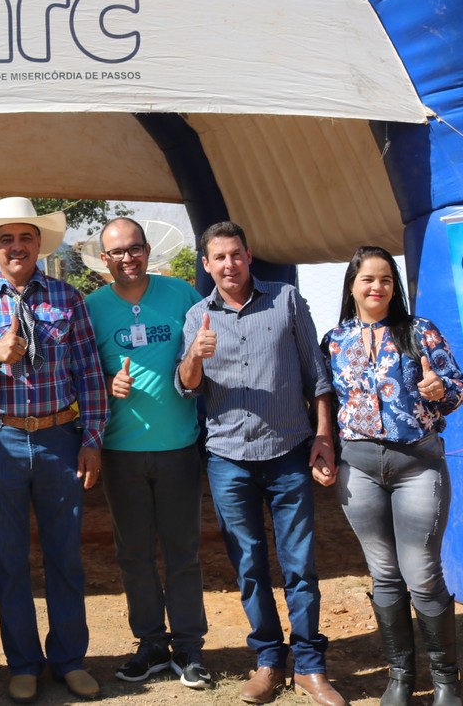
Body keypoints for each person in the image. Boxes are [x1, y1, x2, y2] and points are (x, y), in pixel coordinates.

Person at [175, 221, 345, 706]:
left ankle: (310, 666)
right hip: (228, 458)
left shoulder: (285, 300)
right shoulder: (198, 316)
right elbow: (186, 386)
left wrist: (323, 436)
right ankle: (268, 661)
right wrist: (195, 356)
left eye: (236, 254)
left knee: (300, 564)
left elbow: (316, 375)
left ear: (248, 255)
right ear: (206, 265)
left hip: (288, 451)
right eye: (219, 258)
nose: (229, 265)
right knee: (248, 566)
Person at [0, 197, 107, 704]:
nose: (16, 247)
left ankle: (70, 659)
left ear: (39, 244)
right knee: (8, 558)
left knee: (65, 557)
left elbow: (90, 374)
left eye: (25, 237)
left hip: (60, 439)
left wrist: (92, 440)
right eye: (6, 239)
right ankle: (22, 663)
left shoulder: (68, 298)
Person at [321, 247, 463, 706]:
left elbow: (458, 390)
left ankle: (446, 681)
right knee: (384, 573)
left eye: (385, 279)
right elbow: (324, 401)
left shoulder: (420, 331)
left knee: (421, 573)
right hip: (359, 468)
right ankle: (401, 678)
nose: (377, 287)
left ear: (394, 286)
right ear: (352, 286)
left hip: (417, 465)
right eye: (367, 279)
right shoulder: (334, 341)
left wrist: (439, 390)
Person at [85, 217, 211, 690]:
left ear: (147, 249)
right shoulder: (92, 308)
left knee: (183, 552)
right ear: (105, 259)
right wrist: (106, 383)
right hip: (121, 452)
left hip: (179, 447)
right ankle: (151, 644)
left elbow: (206, 353)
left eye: (135, 248)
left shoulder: (181, 295)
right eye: (117, 252)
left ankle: (190, 648)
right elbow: (79, 373)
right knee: (134, 554)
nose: (128, 258)